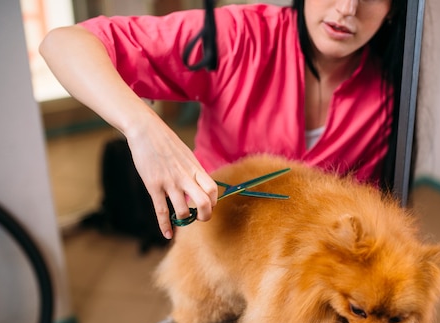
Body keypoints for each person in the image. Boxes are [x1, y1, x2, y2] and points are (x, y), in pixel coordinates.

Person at [39, 0, 406, 240]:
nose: (347, 8)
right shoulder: (239, 36)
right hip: (217, 250)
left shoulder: (392, 90)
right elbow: (64, 42)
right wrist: (143, 128)